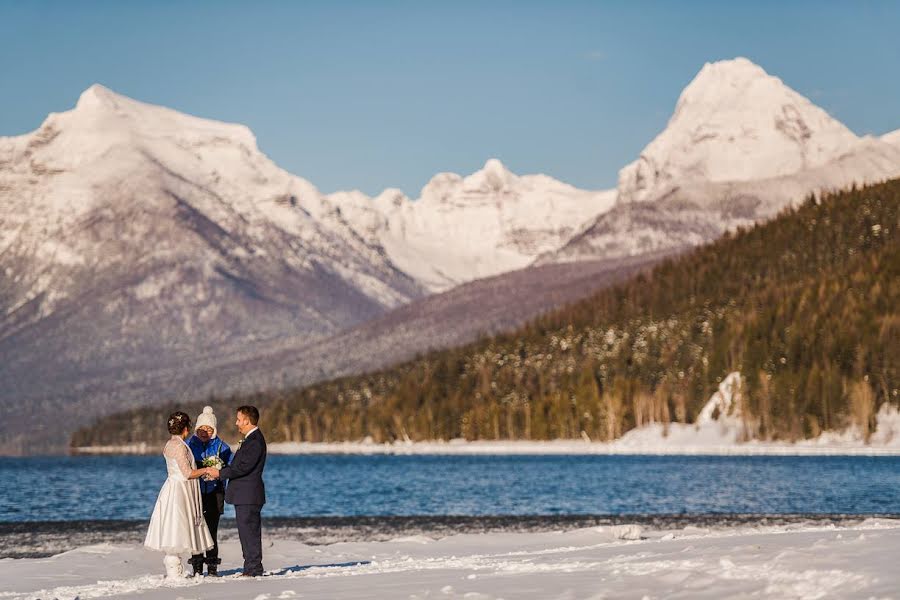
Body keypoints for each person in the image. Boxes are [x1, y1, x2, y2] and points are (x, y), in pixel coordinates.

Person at [144, 411, 215, 579]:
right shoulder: (179, 446)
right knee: (177, 527)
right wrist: (206, 469)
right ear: (185, 428)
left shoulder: (170, 444)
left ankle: (174, 568)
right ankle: (174, 571)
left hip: (172, 486)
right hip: (180, 489)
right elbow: (187, 473)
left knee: (174, 526)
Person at [207, 405, 267, 577]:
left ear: (247, 420)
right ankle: (251, 567)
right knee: (246, 532)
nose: (236, 423)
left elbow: (242, 468)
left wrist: (219, 473)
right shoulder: (250, 439)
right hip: (244, 495)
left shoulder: (255, 441)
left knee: (250, 533)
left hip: (248, 495)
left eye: (239, 419)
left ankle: (253, 569)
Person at [187, 406, 232, 577]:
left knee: (211, 531)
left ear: (214, 430)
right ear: (196, 428)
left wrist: (220, 470)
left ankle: (212, 568)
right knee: (196, 530)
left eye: (209, 428)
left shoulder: (222, 447)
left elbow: (232, 467)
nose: (205, 431)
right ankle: (197, 568)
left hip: (215, 493)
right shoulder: (189, 445)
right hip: (195, 493)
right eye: (202, 428)